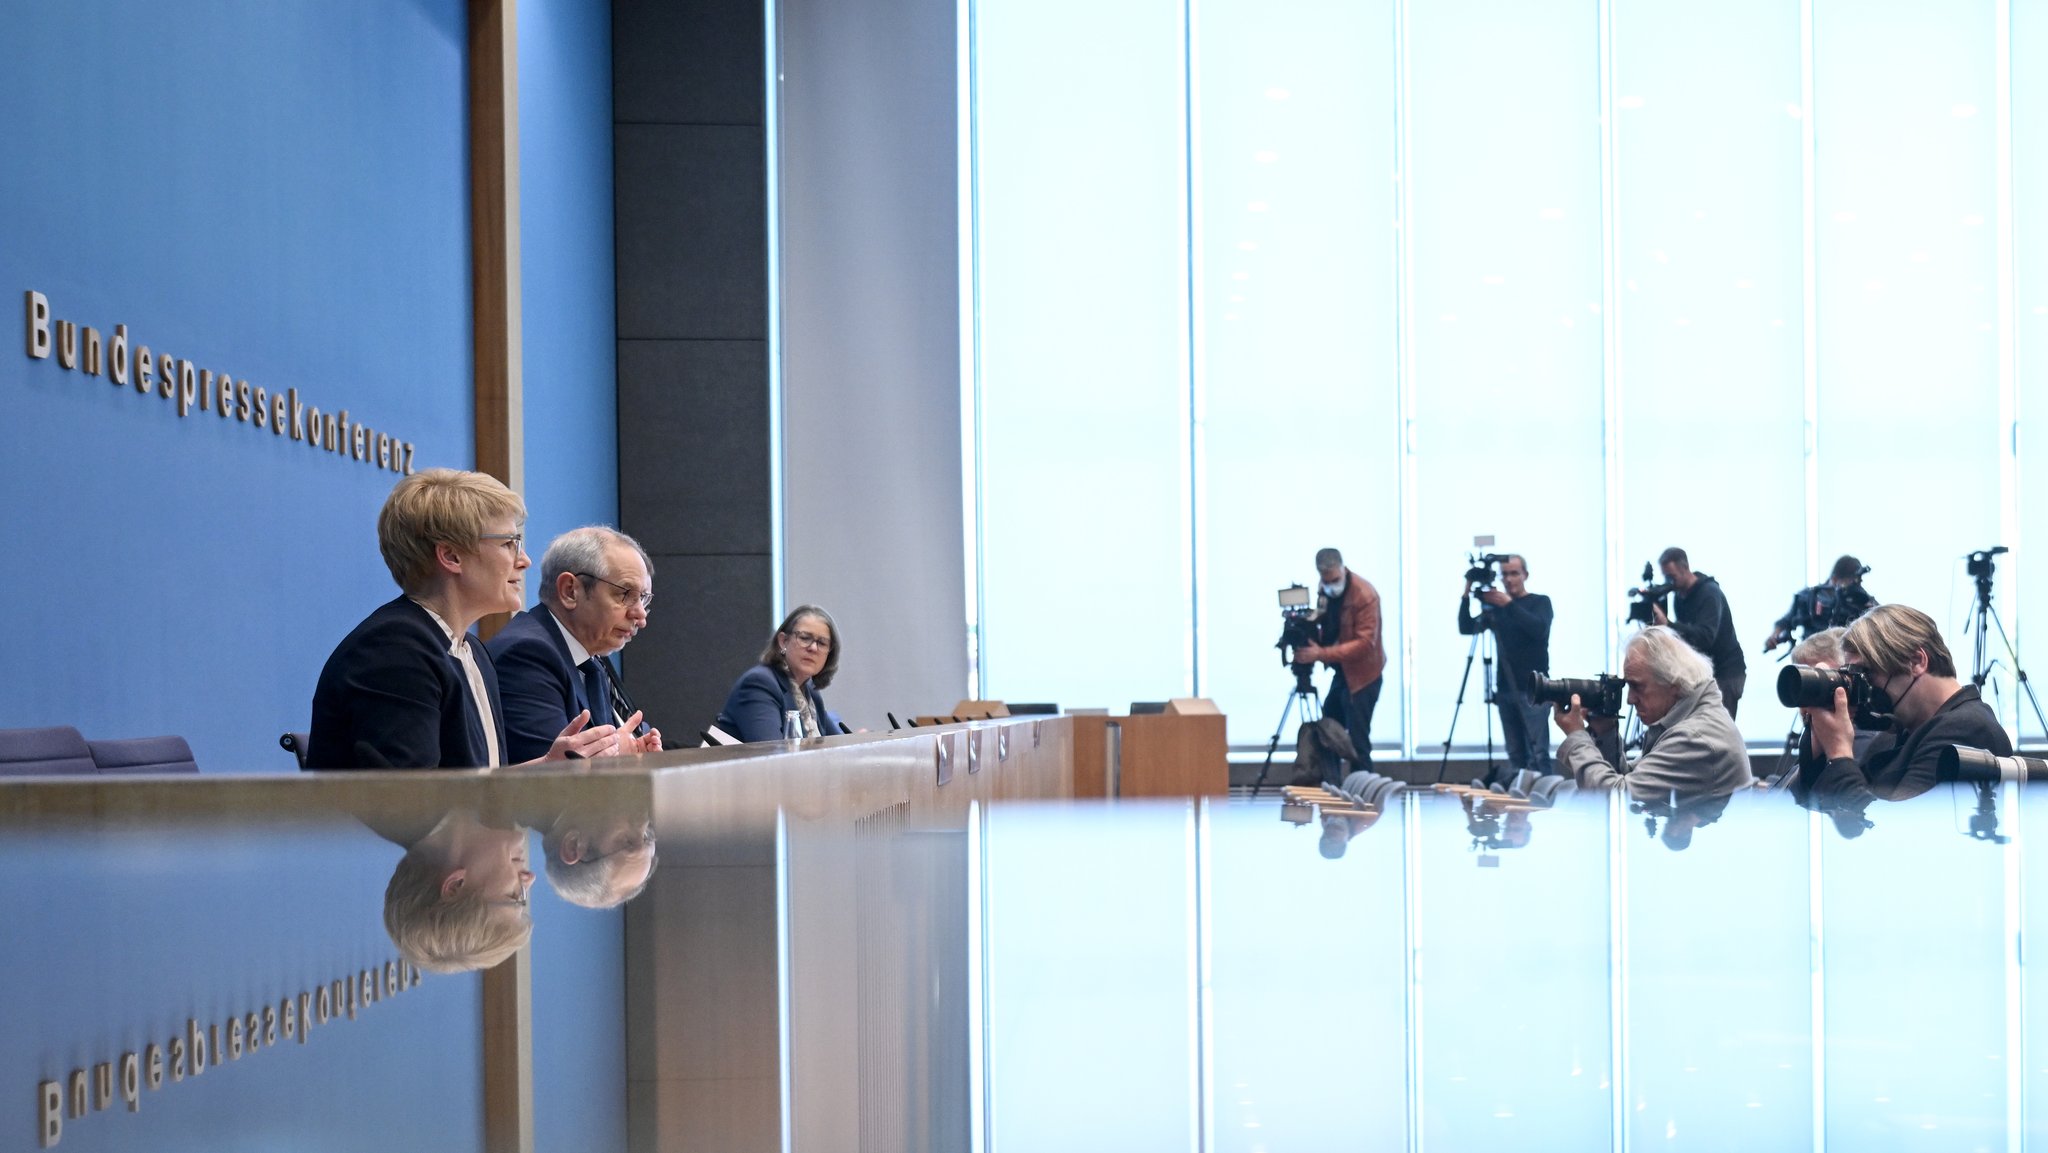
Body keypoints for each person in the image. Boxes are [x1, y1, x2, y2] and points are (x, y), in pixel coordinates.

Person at [308, 469, 628, 769]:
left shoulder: (472, 651)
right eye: (508, 544)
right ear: (451, 556)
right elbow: (410, 809)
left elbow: (479, 785)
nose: (525, 560)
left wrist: (548, 769)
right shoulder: (395, 651)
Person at [1794, 604, 2012, 808]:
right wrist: (1818, 745)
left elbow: (1890, 835)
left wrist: (1839, 752)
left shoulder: (1968, 731)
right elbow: (1822, 812)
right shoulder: (1893, 737)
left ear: (1916, 662)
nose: (1863, 689)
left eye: (1867, 674)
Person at [487, 526, 663, 762]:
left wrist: (638, 751)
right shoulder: (526, 655)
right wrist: (617, 756)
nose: (640, 617)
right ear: (570, 591)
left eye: (643, 599)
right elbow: (553, 779)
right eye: (624, 594)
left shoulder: (591, 658)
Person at [1553, 625, 1753, 804]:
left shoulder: (1696, 737)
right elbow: (1637, 782)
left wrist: (1577, 737)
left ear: (1673, 683)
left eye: (1637, 686)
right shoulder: (1690, 720)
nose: (1630, 700)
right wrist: (1605, 733)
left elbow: (1619, 802)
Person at [378, 808, 535, 973]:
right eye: (522, 895)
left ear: (455, 885)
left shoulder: (399, 798)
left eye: (512, 897)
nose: (529, 878)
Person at [1457, 554, 1554, 776]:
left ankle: (1545, 803)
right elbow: (1466, 627)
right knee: (1515, 755)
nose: (1509, 579)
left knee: (1537, 754)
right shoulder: (1497, 609)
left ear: (1525, 575)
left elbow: (1538, 629)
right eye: (1505, 574)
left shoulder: (1540, 602)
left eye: (1514, 573)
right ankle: (1519, 805)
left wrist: (1509, 604)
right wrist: (1466, 592)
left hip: (1534, 690)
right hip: (1505, 691)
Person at [1293, 548, 1385, 770]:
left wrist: (1321, 654)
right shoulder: (1325, 590)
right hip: (1342, 673)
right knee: (1328, 733)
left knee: (1358, 742)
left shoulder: (1364, 594)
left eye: (1335, 579)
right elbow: (1329, 626)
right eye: (1326, 580)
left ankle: (1364, 795)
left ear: (1343, 569)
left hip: (1364, 677)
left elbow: (1365, 643)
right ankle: (1332, 787)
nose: (1331, 584)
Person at [714, 605, 847, 742]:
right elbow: (771, 752)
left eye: (822, 643)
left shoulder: (811, 693)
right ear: (783, 641)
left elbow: (839, 745)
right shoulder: (759, 683)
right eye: (805, 638)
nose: (813, 648)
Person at [1646, 546, 1746, 717]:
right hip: (1706, 673)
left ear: (1685, 568)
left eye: (1672, 577)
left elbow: (1706, 637)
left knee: (1718, 729)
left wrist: (1669, 624)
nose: (1669, 582)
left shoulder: (1709, 594)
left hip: (1726, 673)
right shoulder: (1679, 596)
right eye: (1666, 577)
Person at [1765, 554, 1876, 653]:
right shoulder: (1810, 597)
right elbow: (1786, 621)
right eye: (1850, 582)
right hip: (1810, 657)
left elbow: (1879, 619)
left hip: (1844, 658)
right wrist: (1774, 636)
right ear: (1835, 579)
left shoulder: (1861, 601)